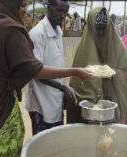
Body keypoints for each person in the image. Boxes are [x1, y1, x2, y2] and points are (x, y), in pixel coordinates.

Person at [0, 0, 92, 157]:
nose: (26, 12)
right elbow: (34, 69)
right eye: (21, 6)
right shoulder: (10, 29)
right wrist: (74, 72)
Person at [69, 7, 127, 124]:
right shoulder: (83, 49)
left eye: (104, 29)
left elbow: (126, 65)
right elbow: (78, 83)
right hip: (89, 106)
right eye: (96, 29)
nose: (100, 33)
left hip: (112, 100)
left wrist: (111, 72)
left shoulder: (117, 46)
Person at [24, 0, 78, 135]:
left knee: (55, 141)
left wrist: (62, 88)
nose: (62, 16)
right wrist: (63, 87)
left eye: (65, 13)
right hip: (40, 101)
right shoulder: (37, 34)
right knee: (42, 145)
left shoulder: (58, 31)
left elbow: (56, 64)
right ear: (49, 8)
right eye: (59, 11)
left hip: (55, 98)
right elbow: (36, 72)